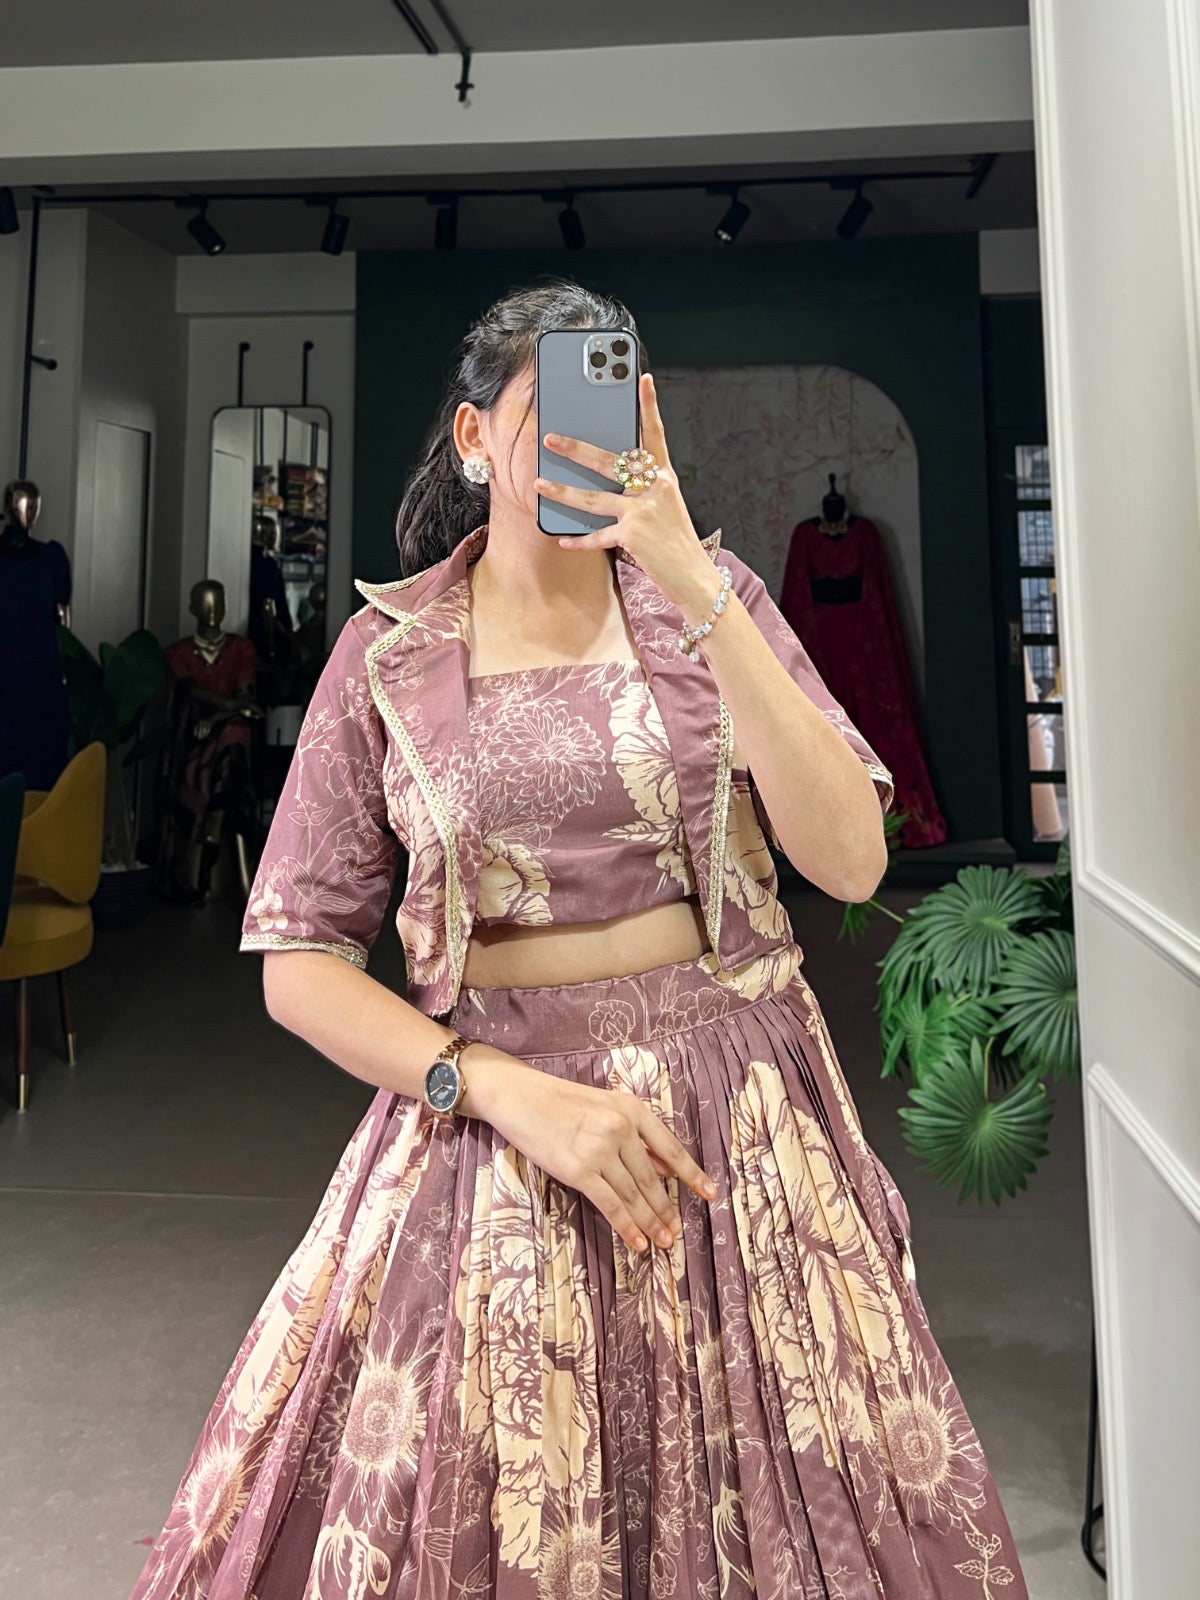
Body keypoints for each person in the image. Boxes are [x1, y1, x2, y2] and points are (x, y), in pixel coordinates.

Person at [127, 279, 1029, 1600]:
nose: (580, 439)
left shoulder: (711, 599)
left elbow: (849, 858)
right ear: (472, 437)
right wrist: (493, 1089)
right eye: (546, 409)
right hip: (496, 1138)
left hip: (737, 1128)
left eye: (613, 406)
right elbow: (298, 960)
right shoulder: (388, 653)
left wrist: (693, 583)